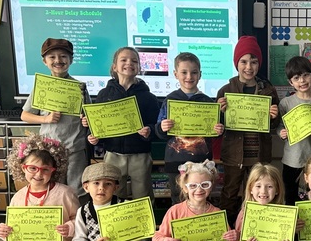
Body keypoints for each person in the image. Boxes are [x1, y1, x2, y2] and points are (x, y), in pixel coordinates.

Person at [0, 135, 79, 241]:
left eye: (45, 169)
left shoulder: (65, 193)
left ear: (54, 170)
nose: (38, 174)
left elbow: (81, 220)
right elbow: (13, 229)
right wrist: (3, 231)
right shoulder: (18, 197)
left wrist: (70, 226)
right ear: (22, 167)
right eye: (33, 168)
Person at [216, 36, 280, 225]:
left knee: (259, 193)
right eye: (243, 61)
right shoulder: (226, 90)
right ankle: (228, 229)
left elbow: (274, 127)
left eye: (253, 62)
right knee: (230, 191)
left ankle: (256, 228)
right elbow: (217, 127)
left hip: (259, 154)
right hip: (234, 154)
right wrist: (219, 112)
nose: (249, 67)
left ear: (259, 64)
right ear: (236, 63)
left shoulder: (268, 91)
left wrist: (274, 116)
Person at [84, 46, 159, 203]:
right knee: (115, 195)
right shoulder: (104, 94)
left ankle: (145, 226)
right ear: (114, 66)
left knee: (143, 194)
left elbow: (156, 125)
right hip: (113, 154)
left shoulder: (149, 97)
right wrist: (94, 137)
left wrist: (149, 131)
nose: (129, 63)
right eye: (123, 60)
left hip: (140, 154)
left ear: (139, 67)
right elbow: (98, 124)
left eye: (134, 61)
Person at [21, 38, 90, 197]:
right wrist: (46, 119)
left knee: (76, 190)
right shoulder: (41, 87)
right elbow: (25, 115)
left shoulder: (79, 87)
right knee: (51, 187)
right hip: (49, 149)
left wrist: (86, 120)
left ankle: (75, 221)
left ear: (71, 60)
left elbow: (88, 115)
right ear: (44, 61)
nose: (58, 60)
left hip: (75, 148)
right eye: (52, 57)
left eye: (63, 56)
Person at [156, 52, 225, 204]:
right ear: (175, 74)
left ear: (200, 75)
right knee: (178, 199)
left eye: (194, 72)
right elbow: (160, 133)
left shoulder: (207, 102)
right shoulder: (170, 100)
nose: (189, 76)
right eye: (184, 72)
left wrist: (219, 130)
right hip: (176, 163)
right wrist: (162, 127)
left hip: (201, 162)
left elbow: (216, 132)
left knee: (202, 199)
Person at [278, 56, 311, 204]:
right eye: (296, 77)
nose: (302, 81)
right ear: (290, 82)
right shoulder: (286, 103)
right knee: (290, 196)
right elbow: (280, 127)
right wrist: (281, 133)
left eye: (306, 75)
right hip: (291, 160)